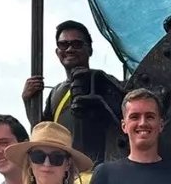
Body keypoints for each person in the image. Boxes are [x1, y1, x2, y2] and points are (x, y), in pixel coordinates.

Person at [22, 20, 128, 164]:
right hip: (67, 175)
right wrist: (29, 101)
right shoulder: (55, 93)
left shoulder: (103, 82)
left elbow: (126, 119)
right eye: (63, 44)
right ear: (57, 52)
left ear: (89, 50)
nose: (70, 49)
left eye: (77, 44)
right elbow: (43, 135)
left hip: (103, 173)